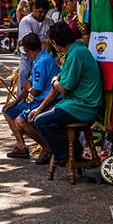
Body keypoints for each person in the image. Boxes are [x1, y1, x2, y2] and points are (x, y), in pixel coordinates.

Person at [29, 21, 102, 165]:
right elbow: (57, 88)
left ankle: (66, 156)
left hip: (84, 106)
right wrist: (40, 108)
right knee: (40, 117)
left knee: (41, 121)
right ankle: (72, 151)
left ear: (55, 43)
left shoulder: (76, 54)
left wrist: (54, 82)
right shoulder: (74, 52)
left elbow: (62, 88)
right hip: (75, 104)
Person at [1, 33, 58, 159]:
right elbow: (28, 87)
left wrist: (28, 88)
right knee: (8, 111)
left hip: (44, 101)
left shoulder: (42, 62)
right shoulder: (39, 59)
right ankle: (21, 146)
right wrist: (15, 102)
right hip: (37, 99)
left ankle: (46, 147)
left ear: (26, 51)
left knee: (20, 121)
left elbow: (34, 90)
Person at [16, 0, 51, 95]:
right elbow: (30, 41)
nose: (42, 15)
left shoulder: (49, 22)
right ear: (34, 8)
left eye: (45, 12)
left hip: (44, 57)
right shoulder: (26, 21)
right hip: (27, 57)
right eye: (40, 12)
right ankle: (19, 102)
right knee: (24, 75)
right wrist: (46, 41)